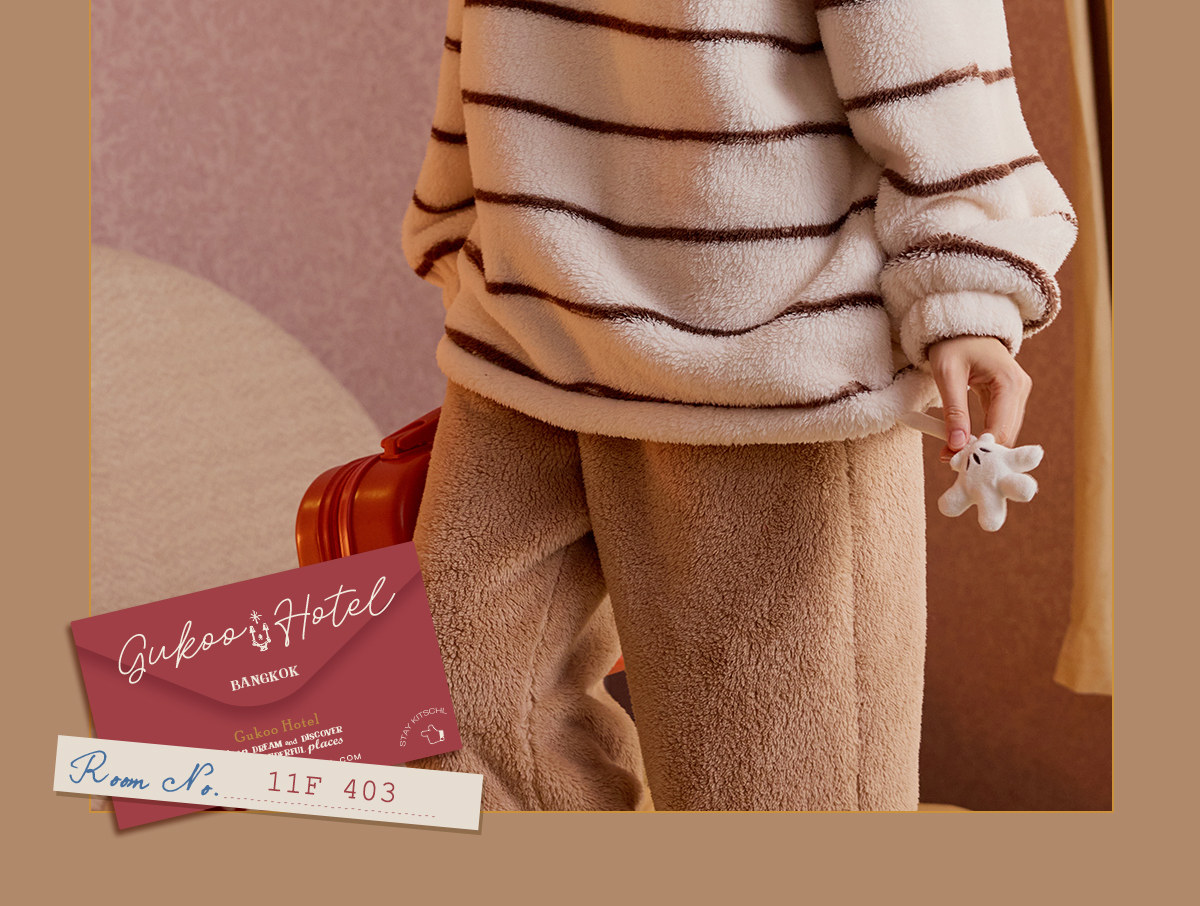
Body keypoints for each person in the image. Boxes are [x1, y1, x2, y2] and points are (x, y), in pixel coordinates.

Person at [399, 0, 1077, 811]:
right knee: (427, 750)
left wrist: (969, 288)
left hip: (773, 381)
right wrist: (457, 220)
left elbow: (929, 52)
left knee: (775, 803)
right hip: (523, 332)